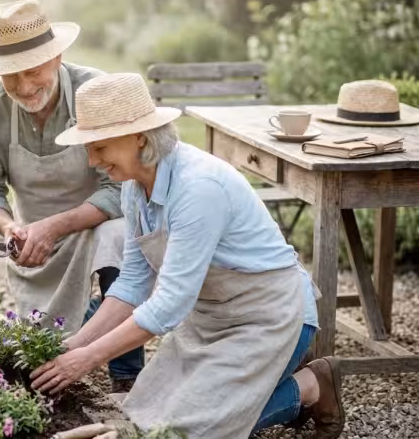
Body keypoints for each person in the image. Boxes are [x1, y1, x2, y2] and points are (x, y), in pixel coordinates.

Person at [29, 72, 345, 439]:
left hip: (270, 320)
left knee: (186, 429)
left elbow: (169, 304)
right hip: (209, 320)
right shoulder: (134, 189)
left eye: (99, 147)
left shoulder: (198, 188)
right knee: (145, 412)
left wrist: (89, 358)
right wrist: (74, 345)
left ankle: (311, 385)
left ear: (139, 137)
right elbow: (132, 285)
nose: (91, 160)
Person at [0, 0, 144, 391]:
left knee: (119, 236)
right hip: (35, 242)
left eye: (33, 71)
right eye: (10, 77)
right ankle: (99, 321)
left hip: (96, 224)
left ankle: (127, 374)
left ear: (57, 56)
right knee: (44, 347)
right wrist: (9, 226)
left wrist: (57, 226)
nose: (24, 87)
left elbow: (121, 188)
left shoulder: (94, 91)